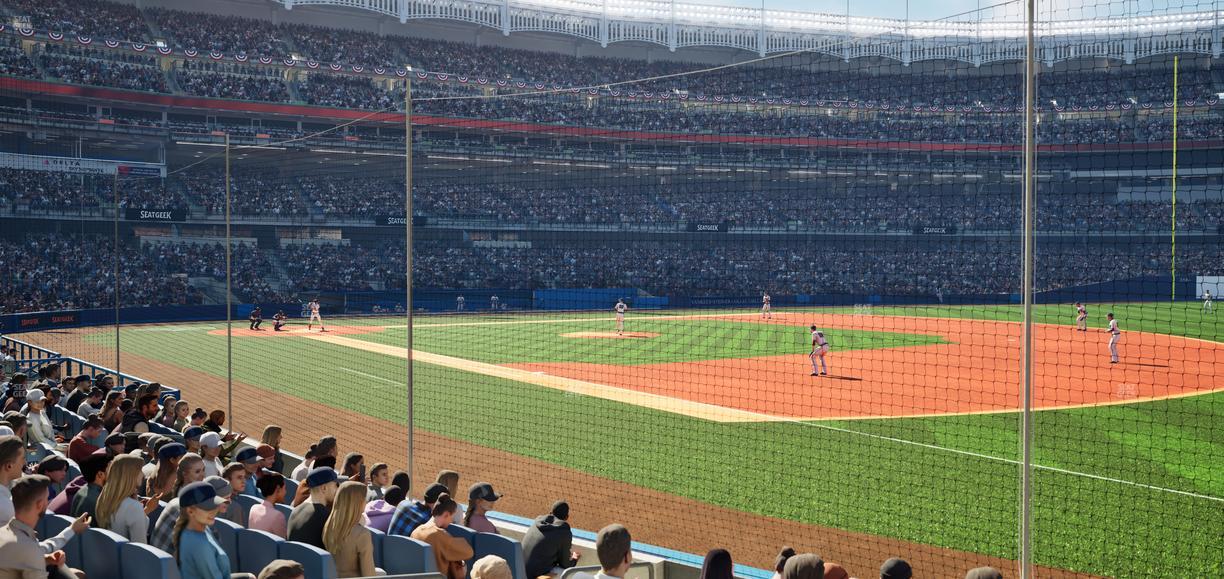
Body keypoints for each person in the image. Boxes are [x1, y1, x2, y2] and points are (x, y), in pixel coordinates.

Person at [0, 475, 86, 579]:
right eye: (47, 498)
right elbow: (29, 553)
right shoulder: (29, 548)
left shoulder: (6, 531)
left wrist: (45, 559)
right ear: (40, 505)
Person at [171, 481, 232, 579]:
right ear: (190, 511)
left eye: (214, 505)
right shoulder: (198, 544)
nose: (213, 511)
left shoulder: (202, 527)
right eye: (207, 507)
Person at [150, 453, 208, 552]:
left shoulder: (180, 492)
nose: (203, 475)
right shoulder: (189, 502)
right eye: (197, 471)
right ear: (185, 474)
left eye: (203, 470)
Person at [95, 455, 158, 543]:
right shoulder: (133, 507)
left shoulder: (104, 498)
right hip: (128, 555)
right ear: (130, 474)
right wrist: (137, 506)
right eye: (140, 470)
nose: (143, 474)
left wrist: (145, 509)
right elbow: (140, 546)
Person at [411, 493, 474, 579]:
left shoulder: (416, 531)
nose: (451, 521)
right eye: (452, 517)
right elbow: (469, 552)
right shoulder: (440, 535)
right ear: (446, 514)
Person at [323, 481, 379, 578]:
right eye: (364, 499)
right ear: (357, 503)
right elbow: (369, 575)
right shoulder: (362, 534)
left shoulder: (328, 525)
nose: (366, 502)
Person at [522, 500, 580, 578]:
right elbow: (565, 564)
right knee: (568, 572)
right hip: (532, 576)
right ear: (567, 517)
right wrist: (574, 559)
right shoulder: (563, 532)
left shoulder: (538, 522)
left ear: (551, 512)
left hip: (518, 570)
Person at [287, 467, 339, 548]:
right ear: (324, 488)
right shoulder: (327, 517)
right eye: (336, 485)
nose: (337, 489)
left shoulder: (296, 510)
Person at [69, 453, 112, 519]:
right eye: (111, 469)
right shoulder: (99, 500)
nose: (115, 473)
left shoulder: (82, 490)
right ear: (100, 474)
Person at [248, 472, 287, 538]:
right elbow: (283, 544)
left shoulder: (253, 508)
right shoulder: (278, 516)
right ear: (278, 489)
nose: (285, 492)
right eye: (284, 488)